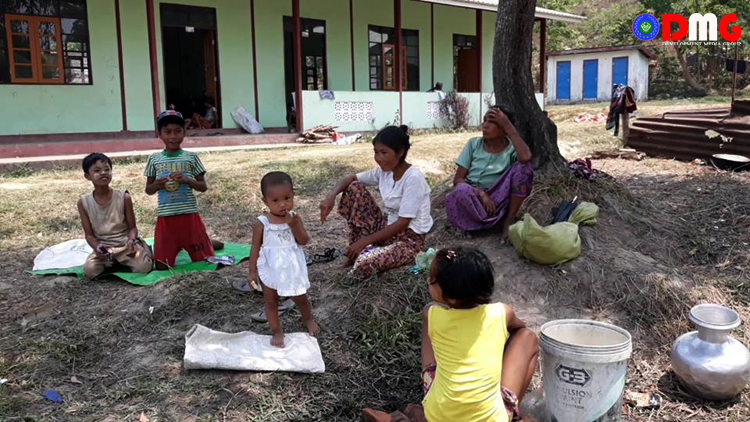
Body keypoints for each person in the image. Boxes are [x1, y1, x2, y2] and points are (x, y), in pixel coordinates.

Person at [362, 247, 539, 422]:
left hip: (437, 414)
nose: (427, 280)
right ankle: (512, 413)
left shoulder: (431, 313)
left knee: (436, 351)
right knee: (528, 337)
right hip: (490, 419)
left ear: (452, 298)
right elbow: (519, 329)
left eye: (432, 280)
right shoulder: (502, 313)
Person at [319, 125, 433, 279]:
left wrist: (365, 241)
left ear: (400, 152)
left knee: (365, 265)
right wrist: (331, 196)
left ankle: (364, 251)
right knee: (354, 188)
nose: (378, 158)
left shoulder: (413, 178)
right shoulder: (383, 172)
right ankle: (359, 250)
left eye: (384, 152)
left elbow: (403, 223)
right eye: (376, 152)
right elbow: (351, 178)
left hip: (408, 239)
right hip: (386, 227)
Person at [247, 171, 320, 347]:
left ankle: (307, 319)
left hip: (291, 267)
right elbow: (255, 247)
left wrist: (295, 226)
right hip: (271, 267)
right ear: (265, 201)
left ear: (293, 195)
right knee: (271, 302)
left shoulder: (294, 218)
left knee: (300, 297)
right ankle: (277, 331)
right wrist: (252, 272)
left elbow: (303, 240)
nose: (282, 204)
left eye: (287, 198)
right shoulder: (262, 223)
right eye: (275, 201)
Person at [445, 105, 533, 237]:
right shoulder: (473, 144)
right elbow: (458, 180)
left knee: (524, 169)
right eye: (484, 120)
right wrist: (480, 192)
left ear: (505, 129)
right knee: (461, 190)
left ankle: (508, 220)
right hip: (472, 196)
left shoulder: (512, 149)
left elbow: (526, 158)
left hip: (498, 199)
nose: (485, 126)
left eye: (492, 122)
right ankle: (474, 224)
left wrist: (510, 128)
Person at [144, 110, 216, 270]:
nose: (173, 137)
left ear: (184, 132)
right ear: (159, 134)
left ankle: (207, 243)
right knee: (162, 266)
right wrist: (157, 184)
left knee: (204, 260)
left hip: (190, 216)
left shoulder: (191, 157)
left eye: (178, 131)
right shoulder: (154, 159)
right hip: (166, 218)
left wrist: (187, 180)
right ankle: (205, 243)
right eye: (167, 132)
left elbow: (203, 187)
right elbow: (148, 190)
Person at [78, 153, 152, 279]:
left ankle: (143, 249)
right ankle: (113, 262)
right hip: (104, 248)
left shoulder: (123, 196)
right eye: (97, 170)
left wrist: (131, 241)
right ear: (87, 176)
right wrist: (98, 248)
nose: (103, 173)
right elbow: (89, 235)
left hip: (125, 246)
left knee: (144, 268)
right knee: (89, 271)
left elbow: (132, 228)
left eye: (107, 169)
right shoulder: (84, 202)